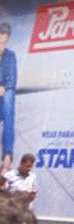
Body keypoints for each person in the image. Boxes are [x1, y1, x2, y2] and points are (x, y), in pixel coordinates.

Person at [0, 23, 16, 175]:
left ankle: (7, 155)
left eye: (4, 42)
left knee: (8, 98)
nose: (2, 45)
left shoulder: (10, 56)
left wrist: (3, 88)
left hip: (4, 91)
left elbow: (12, 78)